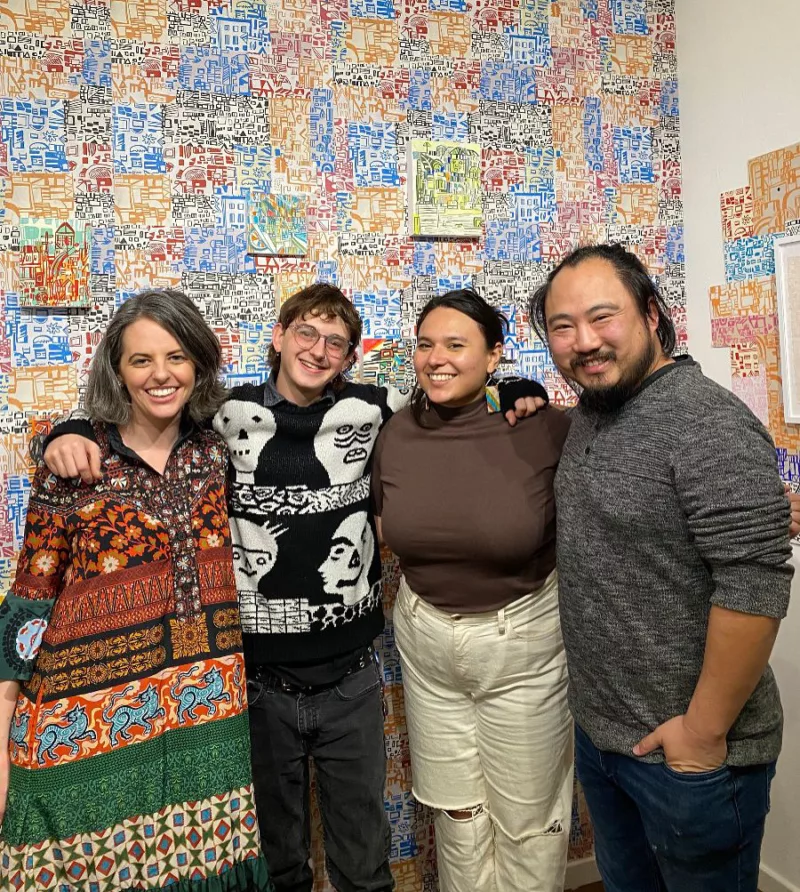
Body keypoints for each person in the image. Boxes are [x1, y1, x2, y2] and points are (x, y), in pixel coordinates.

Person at [41, 283, 546, 892]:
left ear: (350, 357)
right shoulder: (222, 416)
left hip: (352, 678)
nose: (319, 348)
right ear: (278, 338)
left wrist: (514, 388)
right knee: (278, 860)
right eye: (306, 331)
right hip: (255, 682)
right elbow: (143, 413)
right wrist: (67, 428)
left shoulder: (376, 410)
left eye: (337, 341)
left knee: (363, 859)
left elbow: (450, 391)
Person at [528, 243, 794, 892]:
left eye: (602, 317)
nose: (583, 342)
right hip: (606, 740)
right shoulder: (595, 412)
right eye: (562, 327)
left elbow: (755, 585)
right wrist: (517, 393)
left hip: (692, 757)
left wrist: (701, 736)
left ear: (651, 314)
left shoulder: (705, 422)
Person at [0, 289, 270, 891]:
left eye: (176, 356)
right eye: (140, 360)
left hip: (205, 713)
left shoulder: (216, 450)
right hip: (83, 722)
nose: (161, 374)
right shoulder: (73, 461)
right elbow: (28, 604)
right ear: (116, 371)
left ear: (198, 362)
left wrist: (508, 391)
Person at [371, 289, 574, 892]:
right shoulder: (397, 433)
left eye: (456, 345)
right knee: (456, 813)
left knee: (528, 822)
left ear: (494, 357)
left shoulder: (542, 428)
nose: (437, 357)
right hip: (428, 645)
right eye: (426, 344)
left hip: (523, 644)